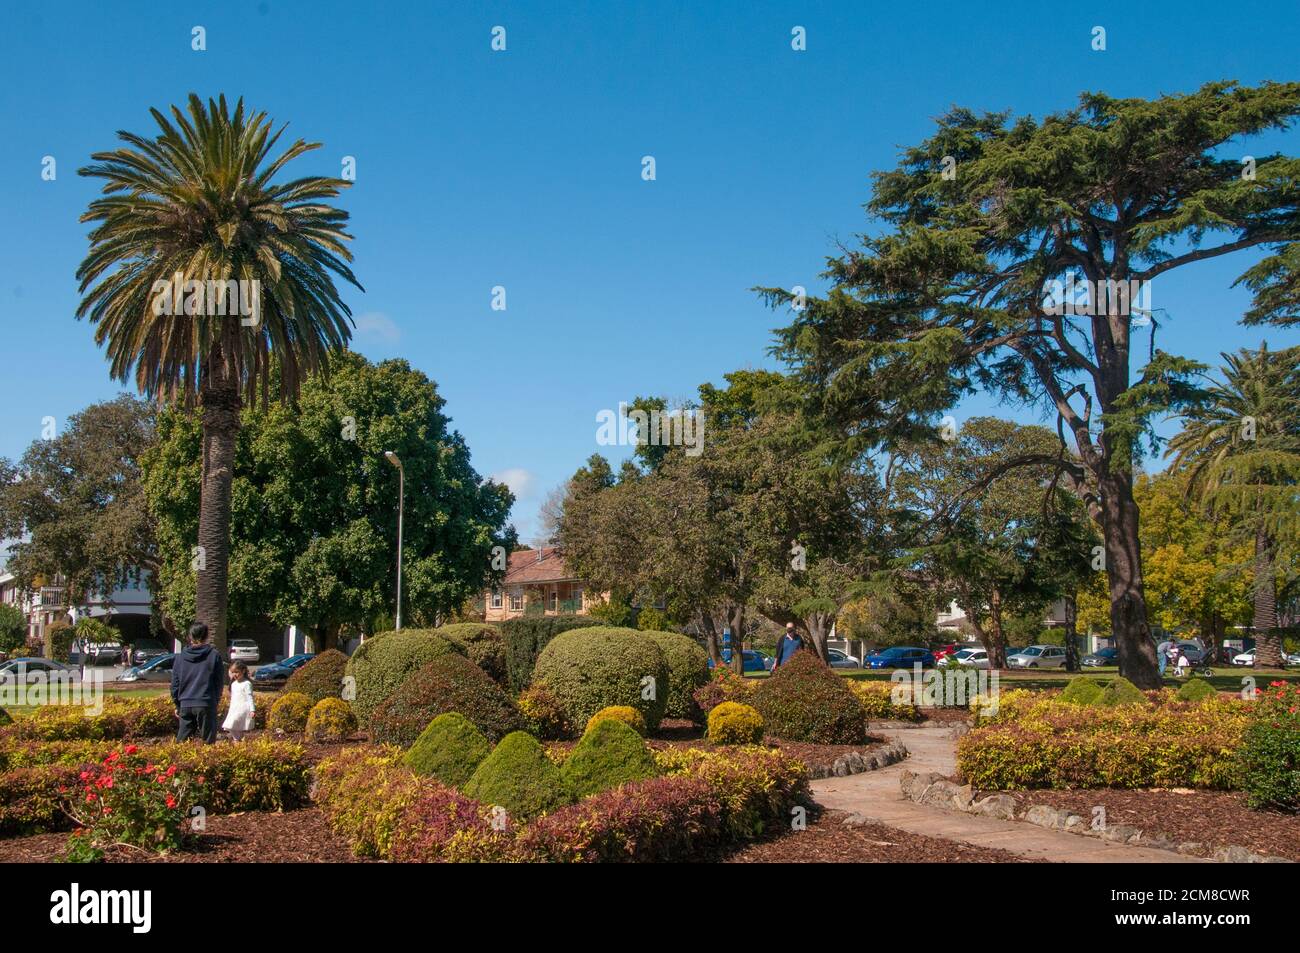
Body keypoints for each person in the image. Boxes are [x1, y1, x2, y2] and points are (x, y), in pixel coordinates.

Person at [171, 622, 226, 743]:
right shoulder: (214, 655)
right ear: (207, 636)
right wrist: (215, 700)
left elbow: (175, 684)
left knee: (182, 743)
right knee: (208, 742)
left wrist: (177, 704)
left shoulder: (180, 657)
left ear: (190, 636)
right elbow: (218, 682)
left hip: (185, 702)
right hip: (206, 702)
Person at [222, 661, 255, 741]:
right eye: (233, 672)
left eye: (236, 672)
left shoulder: (246, 684)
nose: (234, 675)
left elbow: (249, 697)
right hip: (234, 708)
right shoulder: (234, 684)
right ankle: (239, 740)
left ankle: (238, 740)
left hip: (242, 709)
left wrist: (252, 710)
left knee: (232, 724)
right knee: (231, 726)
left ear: (243, 671)